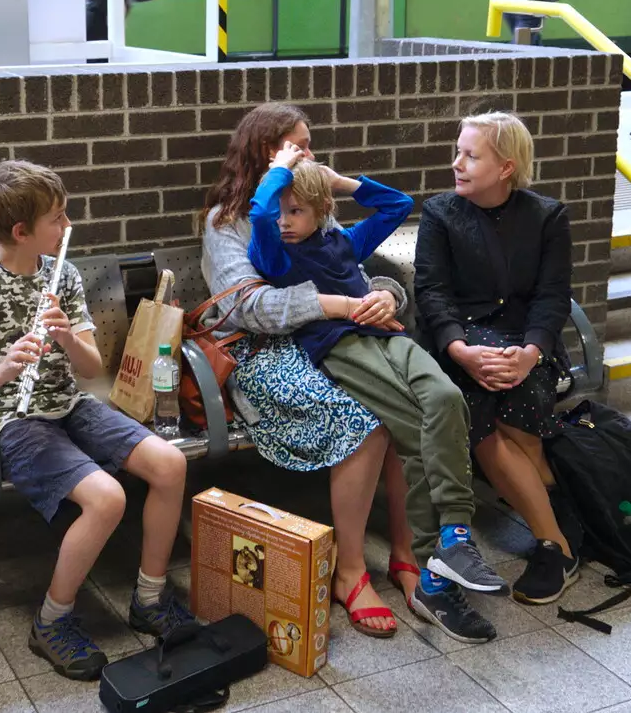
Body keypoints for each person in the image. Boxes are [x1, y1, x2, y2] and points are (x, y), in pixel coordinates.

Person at [202, 103, 506, 646]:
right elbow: (248, 307)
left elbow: (355, 270)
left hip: (350, 334)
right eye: (298, 145)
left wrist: (384, 296)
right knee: (366, 416)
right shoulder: (232, 221)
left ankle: (413, 555)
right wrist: (341, 306)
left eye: (308, 144)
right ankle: (351, 571)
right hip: (267, 351)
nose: (309, 154)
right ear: (267, 154)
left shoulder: (315, 204)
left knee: (420, 401)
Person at [0, 161, 193, 681]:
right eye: (57, 218)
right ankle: (52, 620)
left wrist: (65, 337)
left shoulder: (65, 274)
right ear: (21, 231)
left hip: (71, 405)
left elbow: (90, 369)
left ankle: (149, 598)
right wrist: (6, 365)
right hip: (15, 422)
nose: (66, 226)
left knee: (169, 464)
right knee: (108, 498)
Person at [414, 112, 580, 605]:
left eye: (471, 155)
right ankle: (560, 537)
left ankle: (554, 537)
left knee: (519, 393)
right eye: (458, 151)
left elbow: (553, 298)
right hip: (460, 344)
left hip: (525, 345)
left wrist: (530, 353)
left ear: (506, 168)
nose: (456, 163)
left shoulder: (547, 216)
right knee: (481, 406)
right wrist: (462, 353)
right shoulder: (441, 213)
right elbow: (432, 293)